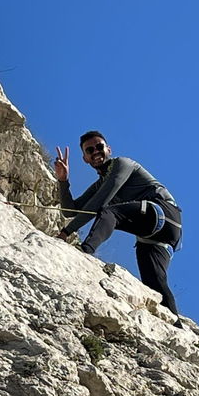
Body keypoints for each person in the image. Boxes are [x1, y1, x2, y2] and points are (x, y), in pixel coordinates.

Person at [55, 130, 183, 325]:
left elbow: (101, 202)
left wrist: (66, 232)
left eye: (99, 147)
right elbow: (70, 210)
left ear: (109, 149)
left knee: (109, 212)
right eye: (90, 150)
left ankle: (85, 251)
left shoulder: (122, 164)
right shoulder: (101, 184)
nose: (96, 151)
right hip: (156, 236)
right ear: (85, 158)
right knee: (155, 284)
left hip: (164, 213)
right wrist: (63, 181)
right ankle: (176, 326)